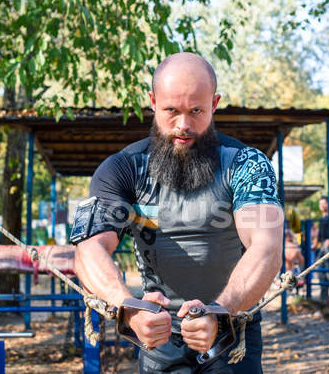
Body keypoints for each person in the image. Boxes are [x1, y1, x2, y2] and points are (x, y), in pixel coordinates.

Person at [72, 52, 284, 373]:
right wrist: (127, 307)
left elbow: (267, 248)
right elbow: (88, 249)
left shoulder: (247, 164)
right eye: (172, 110)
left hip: (231, 330)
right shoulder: (123, 168)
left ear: (214, 104)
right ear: (153, 102)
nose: (183, 125)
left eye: (196, 111)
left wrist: (220, 311)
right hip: (155, 333)